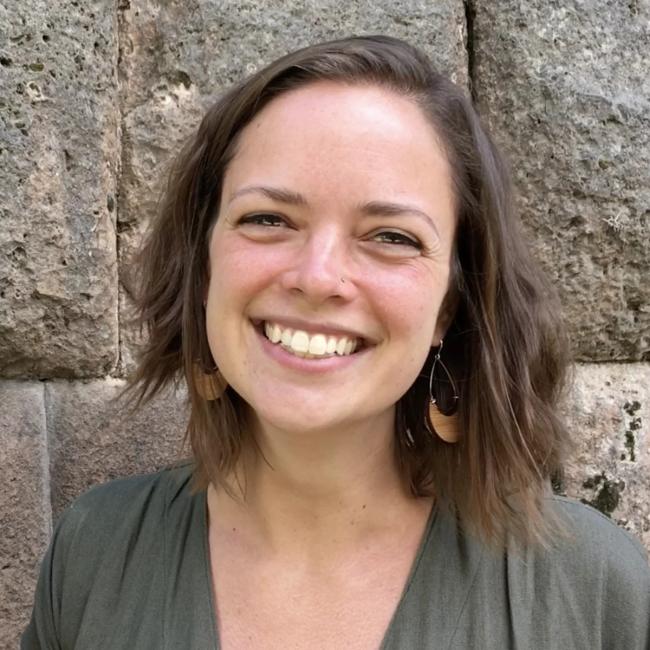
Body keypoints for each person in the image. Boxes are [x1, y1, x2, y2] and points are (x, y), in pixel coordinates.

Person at [22, 35, 649, 649]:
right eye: (267, 219)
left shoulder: (590, 588)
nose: (318, 277)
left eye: (391, 236)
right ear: (204, 265)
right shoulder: (94, 555)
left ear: (448, 307)